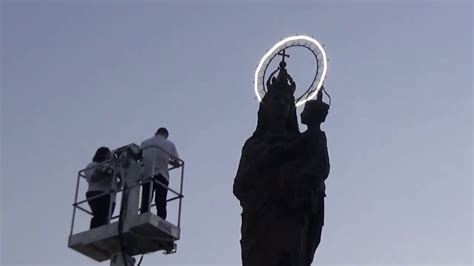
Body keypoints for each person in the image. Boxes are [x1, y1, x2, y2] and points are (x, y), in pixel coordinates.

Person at [140, 127, 180, 219]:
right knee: (161, 200)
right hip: (162, 174)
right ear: (166, 135)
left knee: (146, 199)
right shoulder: (169, 144)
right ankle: (161, 219)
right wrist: (168, 161)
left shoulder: (145, 143)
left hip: (147, 174)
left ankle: (143, 215)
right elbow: (177, 163)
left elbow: (140, 157)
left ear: (156, 133)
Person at [84, 147, 119, 229]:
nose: (110, 157)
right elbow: (93, 178)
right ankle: (93, 233)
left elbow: (117, 186)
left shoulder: (112, 168)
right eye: (109, 155)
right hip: (97, 192)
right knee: (100, 217)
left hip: (110, 196)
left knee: (105, 219)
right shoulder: (93, 165)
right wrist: (104, 170)